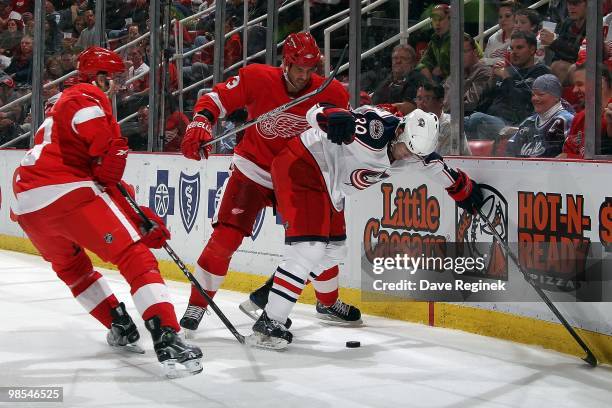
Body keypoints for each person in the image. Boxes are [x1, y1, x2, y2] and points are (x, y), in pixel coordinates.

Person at [10, 46, 202, 378]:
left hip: (27, 205)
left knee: (74, 270)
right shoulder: (86, 97)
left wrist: (139, 216)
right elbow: (105, 166)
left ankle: (120, 324)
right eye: (113, 79)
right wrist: (113, 150)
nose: (118, 85)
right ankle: (167, 335)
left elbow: (103, 178)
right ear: (99, 78)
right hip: (65, 192)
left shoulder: (55, 111)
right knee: (135, 257)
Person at [242, 105, 484, 349]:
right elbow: (316, 113)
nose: (407, 156)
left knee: (336, 250)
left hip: (329, 184)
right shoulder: (373, 128)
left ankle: (275, 289)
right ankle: (269, 324)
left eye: (414, 153)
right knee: (309, 248)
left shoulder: (416, 149)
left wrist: (466, 192)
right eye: (406, 148)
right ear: (400, 131)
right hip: (302, 165)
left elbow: (440, 170)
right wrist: (329, 117)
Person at [179, 32, 361, 335]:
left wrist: (344, 124)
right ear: (285, 63)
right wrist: (201, 121)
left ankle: (328, 302)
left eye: (309, 69)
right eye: (298, 69)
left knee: (317, 243)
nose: (304, 76)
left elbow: (344, 133)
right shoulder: (256, 77)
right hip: (255, 169)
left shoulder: (331, 93)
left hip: (299, 175)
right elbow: (216, 98)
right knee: (225, 238)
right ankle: (197, 304)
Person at [465, 31, 550, 141]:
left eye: (519, 48)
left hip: (514, 124)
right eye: (512, 48)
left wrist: (506, 78)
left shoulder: (540, 72)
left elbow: (521, 102)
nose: (514, 52)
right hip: (490, 118)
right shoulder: (506, 71)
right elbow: (482, 105)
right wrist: (492, 80)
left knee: (477, 119)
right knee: (451, 123)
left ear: (532, 50)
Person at [506, 74, 574, 157]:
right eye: (533, 95)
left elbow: (572, 154)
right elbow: (510, 152)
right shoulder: (528, 122)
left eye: (541, 94)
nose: (535, 99)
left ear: (556, 97)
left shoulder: (566, 120)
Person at [560, 64, 612, 158]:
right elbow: (566, 152)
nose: (574, 90)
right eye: (574, 85)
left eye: (580, 84)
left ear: (600, 83)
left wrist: (569, 157)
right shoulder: (580, 117)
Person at [416, 82, 471, 156]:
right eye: (419, 98)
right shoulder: (415, 124)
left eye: (427, 98)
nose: (421, 103)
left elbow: (442, 163)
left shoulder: (450, 126)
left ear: (440, 102)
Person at [371, 44, 427, 114]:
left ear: (412, 63)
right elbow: (372, 101)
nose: (398, 61)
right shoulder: (386, 79)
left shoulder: (416, 78)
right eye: (395, 58)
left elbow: (409, 107)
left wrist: (379, 110)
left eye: (403, 58)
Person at [416, 3, 451, 82]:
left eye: (441, 19)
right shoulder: (434, 39)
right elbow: (423, 62)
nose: (437, 23)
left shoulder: (461, 39)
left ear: (450, 20)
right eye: (434, 19)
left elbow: (463, 67)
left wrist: (442, 69)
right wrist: (425, 69)